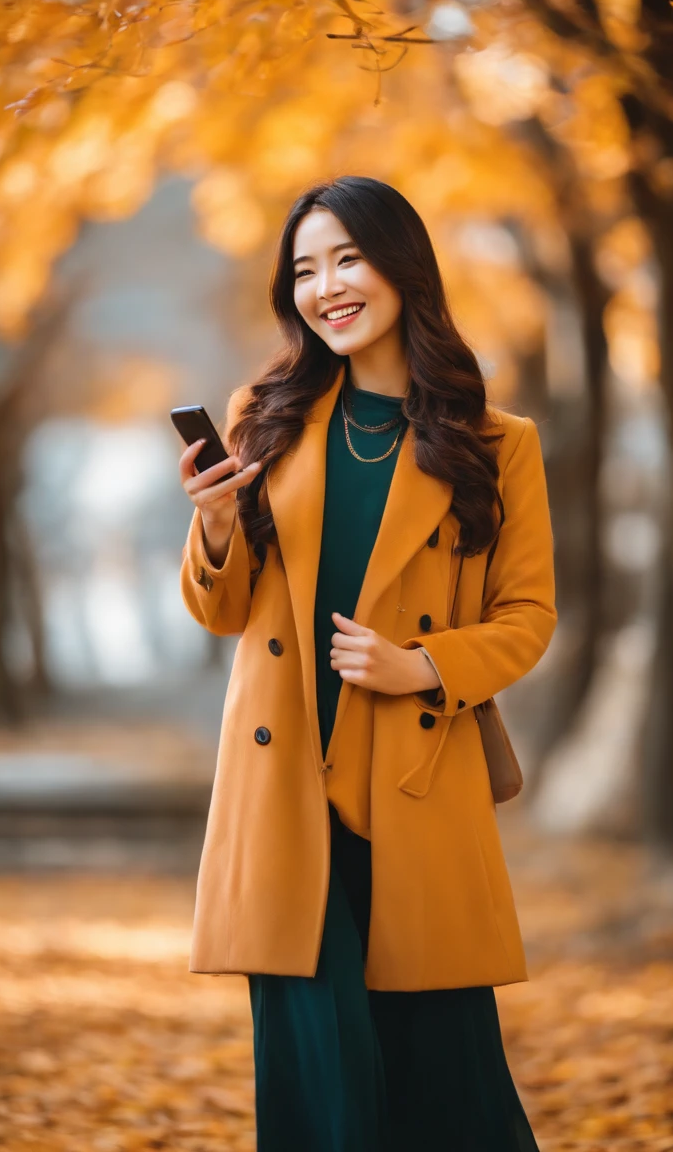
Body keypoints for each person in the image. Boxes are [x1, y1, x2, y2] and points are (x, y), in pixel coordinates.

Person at [178, 175, 557, 1152]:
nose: (326, 286)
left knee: (451, 1091)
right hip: (284, 792)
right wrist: (216, 523)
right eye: (304, 269)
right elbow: (222, 610)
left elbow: (528, 616)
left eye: (347, 257)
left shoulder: (496, 444)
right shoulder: (266, 417)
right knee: (319, 1098)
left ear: (400, 267)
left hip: (415, 785)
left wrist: (422, 666)